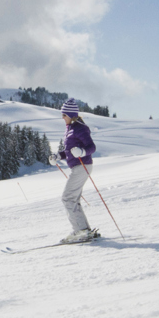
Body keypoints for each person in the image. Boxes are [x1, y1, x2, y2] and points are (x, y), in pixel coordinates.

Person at [56, 99, 101, 244]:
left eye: (64, 115)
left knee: (67, 198)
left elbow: (91, 147)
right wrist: (58, 156)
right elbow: (70, 151)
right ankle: (84, 230)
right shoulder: (70, 128)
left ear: (70, 114)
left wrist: (82, 151)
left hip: (83, 166)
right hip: (78, 167)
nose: (62, 118)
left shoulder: (80, 128)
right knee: (73, 199)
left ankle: (80, 231)